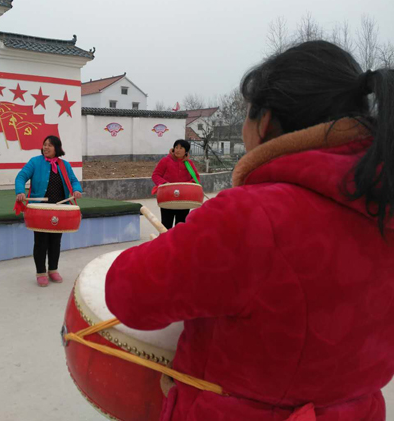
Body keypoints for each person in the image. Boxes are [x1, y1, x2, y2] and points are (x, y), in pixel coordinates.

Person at [105, 40, 394, 420]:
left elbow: (128, 293)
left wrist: (197, 238)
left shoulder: (251, 216)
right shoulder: (382, 205)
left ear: (265, 121)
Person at [15, 135, 82, 287]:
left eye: (50, 145)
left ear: (57, 148)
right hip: (40, 209)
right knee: (40, 242)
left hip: (59, 209)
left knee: (55, 241)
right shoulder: (35, 162)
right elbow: (21, 177)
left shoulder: (64, 165)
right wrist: (20, 191)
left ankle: (53, 270)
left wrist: (76, 189)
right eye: (44, 144)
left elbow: (73, 180)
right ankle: (40, 272)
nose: (46, 147)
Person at [152, 139, 201, 229]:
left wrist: (186, 186)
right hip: (168, 197)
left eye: (181, 148)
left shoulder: (189, 163)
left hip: (184, 199)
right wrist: (166, 184)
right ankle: (165, 239)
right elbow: (155, 175)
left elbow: (196, 178)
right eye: (176, 147)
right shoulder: (165, 161)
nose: (178, 150)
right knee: (166, 225)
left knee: (181, 226)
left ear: (186, 151)